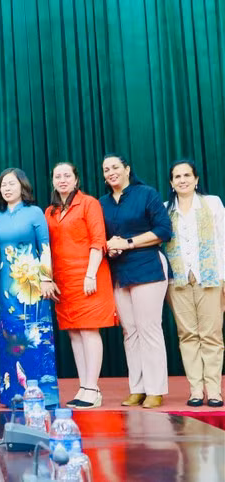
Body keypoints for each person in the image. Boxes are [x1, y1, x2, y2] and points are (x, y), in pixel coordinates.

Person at [99, 154, 172, 409]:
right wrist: (111, 248)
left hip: (148, 266)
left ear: (127, 169)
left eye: (115, 167)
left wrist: (128, 243)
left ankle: (155, 389)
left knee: (148, 328)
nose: (111, 172)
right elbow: (104, 238)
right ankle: (138, 388)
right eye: (106, 169)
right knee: (129, 331)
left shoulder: (146, 193)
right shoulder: (103, 203)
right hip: (120, 272)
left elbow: (164, 230)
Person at [45, 163, 116, 409]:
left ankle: (93, 388)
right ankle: (83, 386)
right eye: (58, 176)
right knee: (74, 333)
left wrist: (90, 274)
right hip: (63, 280)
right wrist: (48, 277)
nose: (62, 180)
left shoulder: (89, 203)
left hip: (88, 276)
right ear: (53, 181)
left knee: (88, 330)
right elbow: (48, 249)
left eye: (67, 175)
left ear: (76, 179)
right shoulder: (50, 211)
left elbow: (98, 240)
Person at [0, 168, 59, 408]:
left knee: (35, 334)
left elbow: (45, 247)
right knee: (10, 334)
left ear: (22, 186)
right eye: (3, 184)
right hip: (6, 285)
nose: (7, 188)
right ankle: (12, 393)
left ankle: (43, 392)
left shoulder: (34, 213)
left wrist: (46, 279)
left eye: (12, 183)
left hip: (31, 282)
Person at [164, 160, 224, 408]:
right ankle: (196, 390)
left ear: (196, 179)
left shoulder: (212, 203)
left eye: (187, 175)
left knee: (211, 335)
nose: (182, 180)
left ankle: (215, 390)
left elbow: (222, 241)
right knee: (187, 335)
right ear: (171, 182)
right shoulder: (165, 208)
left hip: (210, 277)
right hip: (177, 280)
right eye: (177, 176)